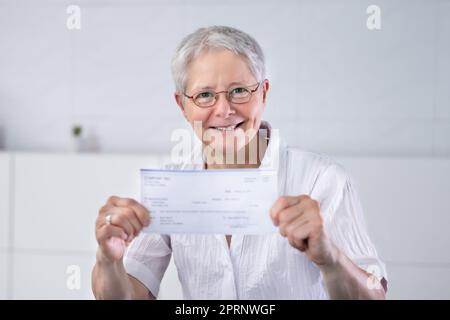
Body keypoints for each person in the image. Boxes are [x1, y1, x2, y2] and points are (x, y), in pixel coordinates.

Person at [92, 25, 387, 300]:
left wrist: (330, 258)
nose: (224, 110)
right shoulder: (169, 187)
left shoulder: (322, 179)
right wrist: (108, 259)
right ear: (183, 105)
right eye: (205, 95)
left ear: (264, 93)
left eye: (239, 91)